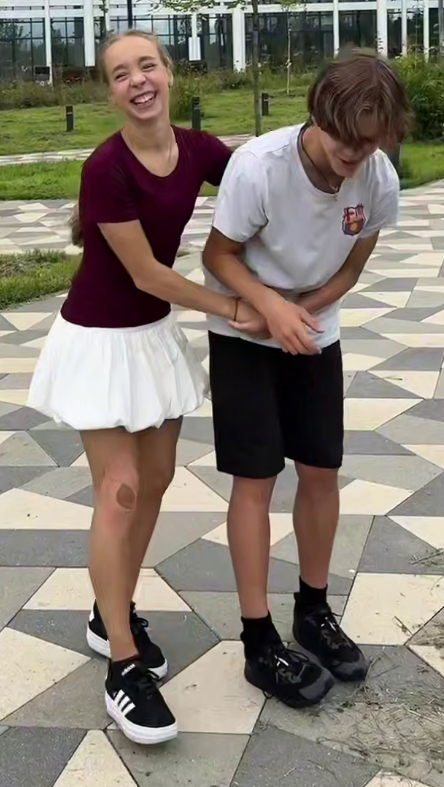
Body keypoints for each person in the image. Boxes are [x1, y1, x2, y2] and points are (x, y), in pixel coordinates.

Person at [28, 29, 262, 746]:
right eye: (121, 73)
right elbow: (147, 274)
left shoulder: (199, 150)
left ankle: (111, 612)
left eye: (148, 66)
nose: (138, 80)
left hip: (152, 338)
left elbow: (263, 178)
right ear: (111, 92)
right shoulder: (105, 168)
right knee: (121, 489)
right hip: (99, 340)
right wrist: (233, 307)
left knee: (156, 480)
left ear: (169, 74)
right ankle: (124, 666)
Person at [203, 51, 412, 709]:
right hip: (244, 332)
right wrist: (270, 308)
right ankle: (258, 640)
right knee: (256, 478)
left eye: (368, 142)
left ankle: (313, 611)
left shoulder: (378, 178)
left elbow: (350, 269)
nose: (353, 153)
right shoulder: (258, 167)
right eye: (343, 137)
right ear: (318, 113)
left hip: (313, 328)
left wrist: (303, 313)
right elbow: (218, 255)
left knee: (321, 469)